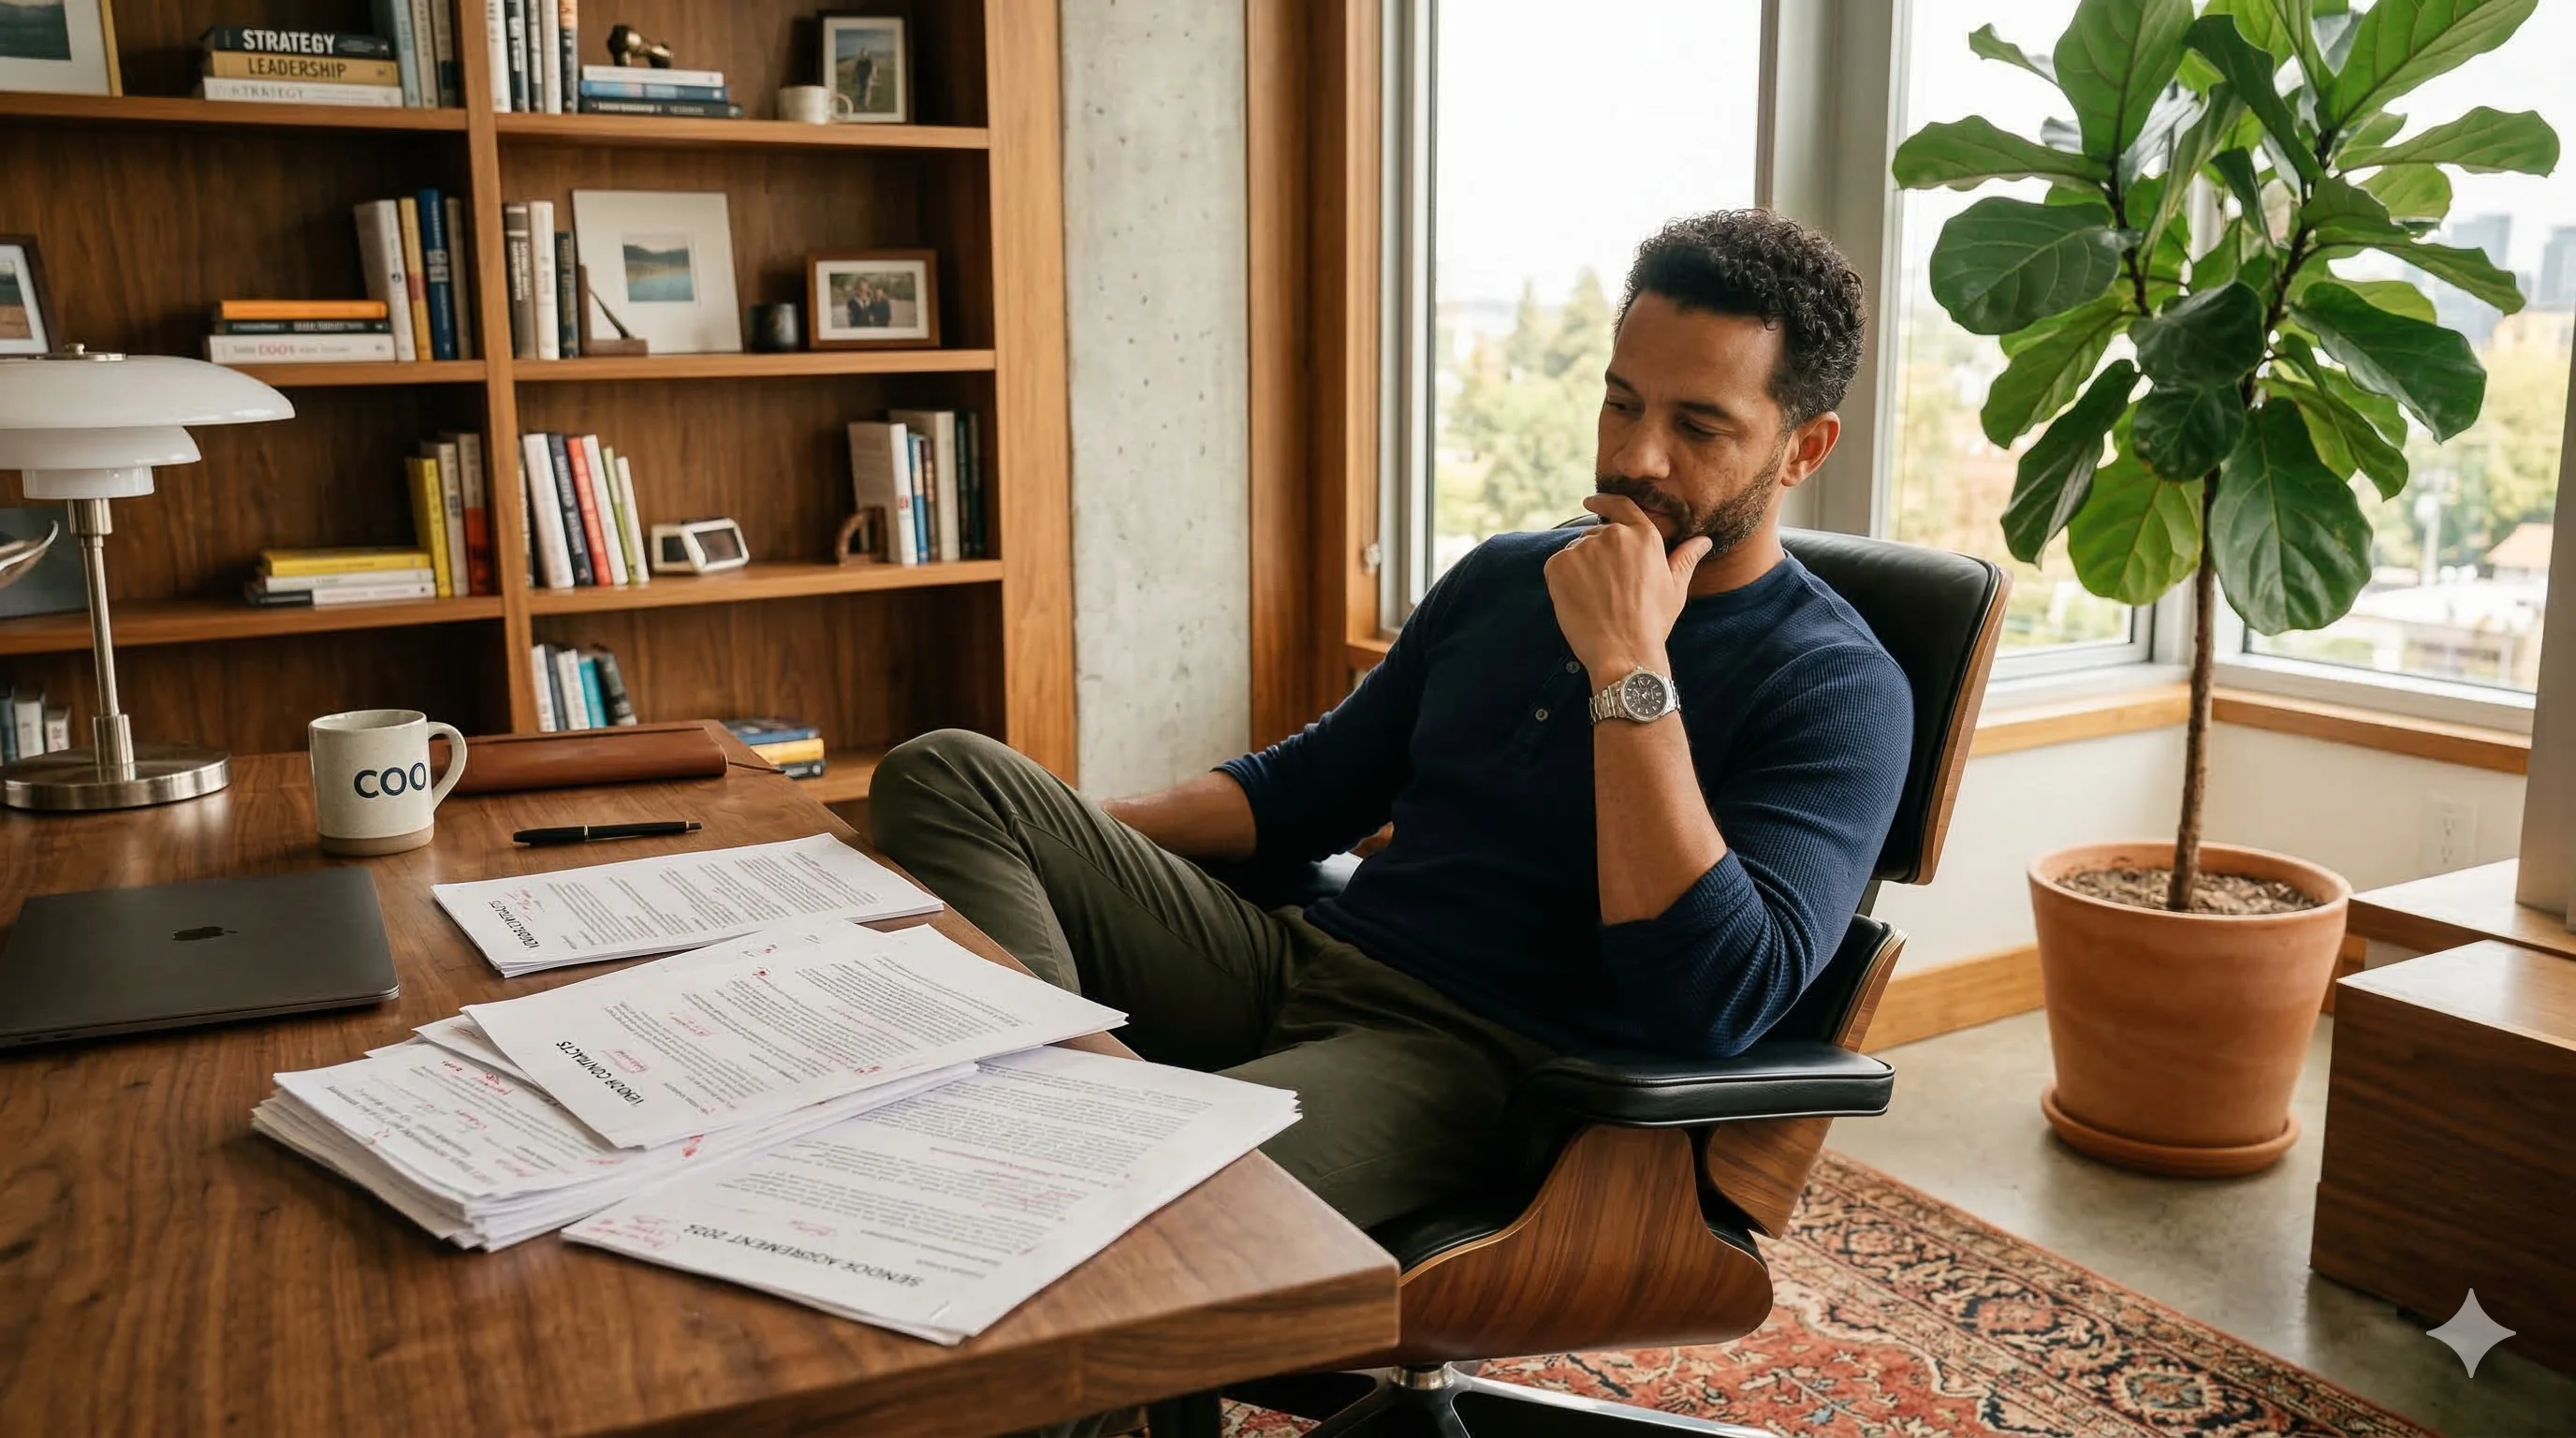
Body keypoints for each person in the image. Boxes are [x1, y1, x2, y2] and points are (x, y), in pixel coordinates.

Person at [871, 208, 1910, 1236]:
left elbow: (1715, 1001)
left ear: (1800, 449)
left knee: (1124, 1210)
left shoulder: (1835, 688)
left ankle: (1057, 1156)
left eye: (1697, 426)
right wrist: (1064, 839)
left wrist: (1628, 664)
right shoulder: (1510, 574)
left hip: (1477, 1063)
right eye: (1620, 403)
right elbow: (1302, 794)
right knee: (951, 771)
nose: (1636, 458)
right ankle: (1050, 1115)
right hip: (1309, 960)